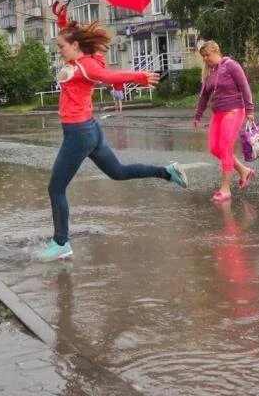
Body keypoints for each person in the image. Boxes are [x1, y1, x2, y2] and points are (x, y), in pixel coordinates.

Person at [38, 20, 189, 262]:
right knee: (118, 172)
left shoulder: (86, 65)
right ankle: (168, 172)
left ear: (75, 45)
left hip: (78, 133)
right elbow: (79, 49)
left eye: (61, 46)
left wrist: (139, 76)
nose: (59, 51)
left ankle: (61, 243)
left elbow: (110, 76)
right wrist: (65, 22)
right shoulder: (80, 59)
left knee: (55, 188)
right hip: (90, 130)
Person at [192, 40, 256, 202]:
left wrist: (250, 110)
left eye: (207, 55)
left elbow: (244, 87)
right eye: (203, 56)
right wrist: (197, 116)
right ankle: (244, 171)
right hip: (218, 113)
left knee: (225, 148)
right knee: (215, 149)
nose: (205, 58)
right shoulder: (209, 72)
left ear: (216, 51)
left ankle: (225, 189)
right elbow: (204, 96)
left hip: (234, 111)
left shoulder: (231, 65)